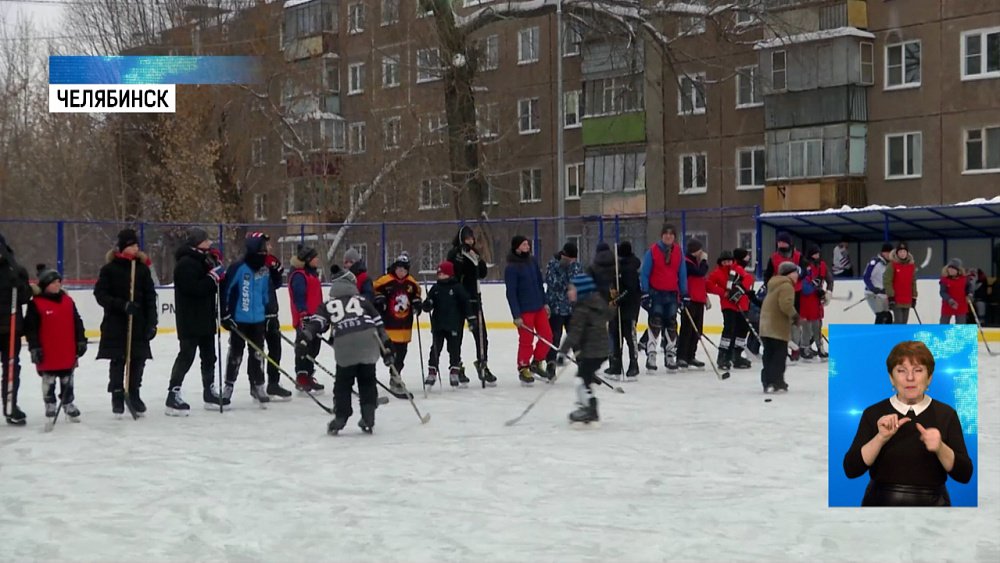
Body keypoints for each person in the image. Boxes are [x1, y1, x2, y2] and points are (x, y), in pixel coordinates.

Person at [842, 340, 973, 506]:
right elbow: (851, 470)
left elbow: (965, 475)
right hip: (879, 507)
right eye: (901, 371)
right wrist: (880, 438)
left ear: (929, 377)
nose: (910, 378)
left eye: (918, 370)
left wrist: (940, 448)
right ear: (891, 378)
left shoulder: (946, 414)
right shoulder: (873, 413)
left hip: (933, 508)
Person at [297, 266, 393, 435]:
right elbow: (378, 323)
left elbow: (316, 324)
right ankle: (368, 416)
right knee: (367, 380)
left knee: (343, 384)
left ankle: (341, 417)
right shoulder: (363, 301)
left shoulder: (328, 305)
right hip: (368, 340)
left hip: (345, 344)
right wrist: (387, 346)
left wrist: (304, 339)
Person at [94, 228, 158, 417]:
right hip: (116, 323)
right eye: (132, 245)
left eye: (137, 245)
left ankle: (134, 392)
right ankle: (117, 393)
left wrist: (152, 322)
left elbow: (150, 298)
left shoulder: (142, 269)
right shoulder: (109, 269)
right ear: (122, 247)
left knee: (138, 359)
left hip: (139, 322)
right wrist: (122, 305)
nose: (136, 248)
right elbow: (101, 295)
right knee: (118, 359)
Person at [167, 227, 228, 415]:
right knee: (187, 356)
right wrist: (212, 278)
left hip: (206, 317)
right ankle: (173, 393)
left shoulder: (204, 260)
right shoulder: (186, 263)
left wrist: (216, 271)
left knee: (209, 356)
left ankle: (209, 391)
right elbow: (194, 289)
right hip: (190, 319)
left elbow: (213, 286)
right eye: (205, 240)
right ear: (196, 243)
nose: (210, 243)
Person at [24, 268, 87, 422]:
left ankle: (68, 403)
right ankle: (50, 404)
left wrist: (81, 340)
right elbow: (31, 329)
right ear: (45, 285)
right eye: (53, 283)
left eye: (59, 282)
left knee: (67, 379)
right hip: (47, 350)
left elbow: (77, 322)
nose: (57, 285)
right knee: (49, 379)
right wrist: (34, 347)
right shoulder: (36, 304)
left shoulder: (68, 301)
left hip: (67, 348)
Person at [220, 232, 271, 406]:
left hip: (258, 319)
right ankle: (228, 386)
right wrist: (225, 314)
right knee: (235, 353)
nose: (264, 251)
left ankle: (258, 385)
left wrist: (267, 312)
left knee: (257, 353)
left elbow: (265, 292)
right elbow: (226, 291)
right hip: (239, 320)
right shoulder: (238, 268)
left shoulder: (264, 269)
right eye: (261, 247)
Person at [555, 273, 611, 425]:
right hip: (602, 350)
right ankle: (586, 405)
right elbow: (607, 315)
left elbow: (574, 334)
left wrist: (562, 352)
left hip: (593, 351)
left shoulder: (582, 310)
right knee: (584, 377)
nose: (568, 292)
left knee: (580, 379)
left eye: (572, 289)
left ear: (581, 291)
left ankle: (589, 408)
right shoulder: (598, 304)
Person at [447, 225, 495, 385]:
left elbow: (482, 273)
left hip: (474, 299)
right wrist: (462, 257)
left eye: (471, 238)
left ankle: (482, 363)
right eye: (467, 238)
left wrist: (478, 260)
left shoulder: (474, 254)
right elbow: (453, 272)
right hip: (458, 299)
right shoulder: (454, 253)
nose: (470, 241)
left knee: (481, 334)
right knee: (457, 335)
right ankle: (456, 365)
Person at [639, 224, 688, 372]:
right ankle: (651, 355)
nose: (668, 236)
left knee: (671, 325)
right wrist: (645, 292)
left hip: (672, 294)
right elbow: (645, 273)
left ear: (674, 237)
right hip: (656, 293)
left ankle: (670, 355)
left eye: (671, 234)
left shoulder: (678, 252)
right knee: (655, 323)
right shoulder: (653, 251)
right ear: (661, 236)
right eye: (666, 234)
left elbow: (682, 274)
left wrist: (684, 293)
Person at [505, 236, 552, 386]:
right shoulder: (512, 267)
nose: (527, 246)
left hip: (538, 307)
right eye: (524, 244)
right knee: (526, 340)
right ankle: (523, 367)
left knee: (547, 336)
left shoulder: (532, 261)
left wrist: (545, 303)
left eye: (527, 244)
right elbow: (511, 292)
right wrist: (516, 315)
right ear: (517, 247)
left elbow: (539, 283)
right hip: (524, 310)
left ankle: (536, 362)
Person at [372, 252, 421, 398]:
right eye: (399, 268)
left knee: (401, 355)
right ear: (394, 268)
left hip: (404, 327)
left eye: (404, 269)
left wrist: (417, 303)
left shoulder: (412, 283)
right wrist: (379, 298)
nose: (401, 272)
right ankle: (373, 376)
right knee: (388, 353)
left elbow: (417, 294)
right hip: (388, 326)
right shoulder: (385, 280)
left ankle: (395, 376)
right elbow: (374, 289)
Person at [422, 261, 475, 388]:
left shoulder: (457, 288)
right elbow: (429, 303)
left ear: (450, 274)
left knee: (454, 349)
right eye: (439, 274)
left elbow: (466, 304)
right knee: (435, 348)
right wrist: (427, 304)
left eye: (443, 274)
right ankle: (432, 371)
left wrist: (471, 319)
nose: (440, 276)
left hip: (454, 324)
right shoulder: (435, 288)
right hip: (438, 324)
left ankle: (454, 371)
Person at [0, 232, 30, 425]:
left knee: (11, 366)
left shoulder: (16, 270)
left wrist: (20, 287)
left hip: (9, 328)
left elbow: (25, 297)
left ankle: (10, 405)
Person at [706, 250, 754, 371]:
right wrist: (724, 293)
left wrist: (739, 290)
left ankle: (737, 355)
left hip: (742, 304)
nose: (727, 263)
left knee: (743, 330)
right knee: (729, 329)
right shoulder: (717, 273)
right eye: (725, 262)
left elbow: (748, 279)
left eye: (729, 261)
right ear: (721, 262)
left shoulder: (738, 269)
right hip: (728, 305)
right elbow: (708, 285)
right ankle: (723, 356)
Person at [259, 233, 292, 401]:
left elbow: (276, 285)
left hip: (272, 313)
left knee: (275, 349)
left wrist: (277, 271)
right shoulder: (251, 263)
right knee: (257, 352)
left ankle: (273, 383)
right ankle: (256, 384)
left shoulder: (270, 261)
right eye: (267, 244)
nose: (270, 247)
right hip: (257, 316)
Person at [288, 245, 325, 394]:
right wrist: (303, 313)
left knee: (314, 348)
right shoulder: (299, 275)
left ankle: (308, 374)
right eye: (315, 257)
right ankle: (302, 376)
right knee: (304, 346)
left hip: (315, 318)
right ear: (308, 260)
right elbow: (299, 296)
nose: (317, 260)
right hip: (306, 318)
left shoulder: (312, 274)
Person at [763, 232, 806, 360]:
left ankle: (795, 348)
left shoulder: (798, 256)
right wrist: (769, 287)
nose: (781, 245)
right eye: (779, 243)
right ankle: (783, 347)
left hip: (795, 291)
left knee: (794, 320)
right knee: (781, 320)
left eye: (783, 243)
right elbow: (768, 274)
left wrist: (797, 275)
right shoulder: (773, 257)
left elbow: (804, 271)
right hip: (779, 291)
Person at [759, 262, 800, 393]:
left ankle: (768, 382)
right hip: (777, 327)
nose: (797, 275)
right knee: (778, 356)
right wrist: (795, 316)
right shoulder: (786, 286)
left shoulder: (774, 284)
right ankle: (775, 382)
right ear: (789, 274)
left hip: (766, 326)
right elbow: (785, 304)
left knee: (769, 355)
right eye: (795, 272)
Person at [544, 242, 583, 378]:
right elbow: (553, 283)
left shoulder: (576, 266)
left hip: (572, 309)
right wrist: (565, 277)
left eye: (574, 259)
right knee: (555, 337)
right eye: (570, 259)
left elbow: (577, 282)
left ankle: (583, 365)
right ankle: (551, 364)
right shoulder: (553, 265)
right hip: (556, 308)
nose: (572, 261)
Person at [609, 241, 642, 380]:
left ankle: (634, 365)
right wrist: (612, 291)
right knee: (616, 336)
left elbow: (630, 290)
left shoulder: (629, 268)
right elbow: (616, 285)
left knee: (630, 336)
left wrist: (617, 300)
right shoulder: (619, 267)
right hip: (618, 310)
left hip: (629, 308)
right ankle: (616, 365)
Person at [798, 245, 833, 360]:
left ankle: (820, 347)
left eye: (818, 254)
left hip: (816, 301)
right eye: (815, 254)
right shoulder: (804, 266)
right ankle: (804, 347)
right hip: (806, 300)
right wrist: (815, 289)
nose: (817, 256)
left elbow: (829, 280)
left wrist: (828, 292)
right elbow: (804, 286)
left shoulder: (822, 265)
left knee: (818, 324)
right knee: (807, 325)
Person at [885, 242, 918, 325]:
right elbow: (887, 281)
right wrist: (891, 296)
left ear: (907, 253)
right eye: (900, 252)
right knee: (898, 321)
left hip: (907, 298)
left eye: (904, 252)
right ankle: (893, 333)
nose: (902, 254)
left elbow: (913, 282)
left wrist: (914, 296)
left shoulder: (911, 266)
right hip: (896, 299)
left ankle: (900, 334)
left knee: (904, 322)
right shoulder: (892, 265)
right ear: (897, 253)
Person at [863, 243, 894, 324]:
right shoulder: (875, 262)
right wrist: (872, 288)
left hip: (883, 295)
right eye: (888, 253)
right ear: (883, 253)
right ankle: (877, 331)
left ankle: (887, 331)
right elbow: (866, 277)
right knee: (881, 315)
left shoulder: (890, 264)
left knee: (888, 316)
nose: (890, 255)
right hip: (873, 294)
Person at [939, 259, 973, 324]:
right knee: (943, 324)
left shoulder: (964, 279)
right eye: (949, 268)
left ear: (958, 270)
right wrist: (949, 300)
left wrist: (970, 294)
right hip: (948, 304)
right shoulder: (944, 280)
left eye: (953, 268)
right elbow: (942, 292)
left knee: (960, 325)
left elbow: (969, 288)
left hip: (961, 304)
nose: (950, 270)